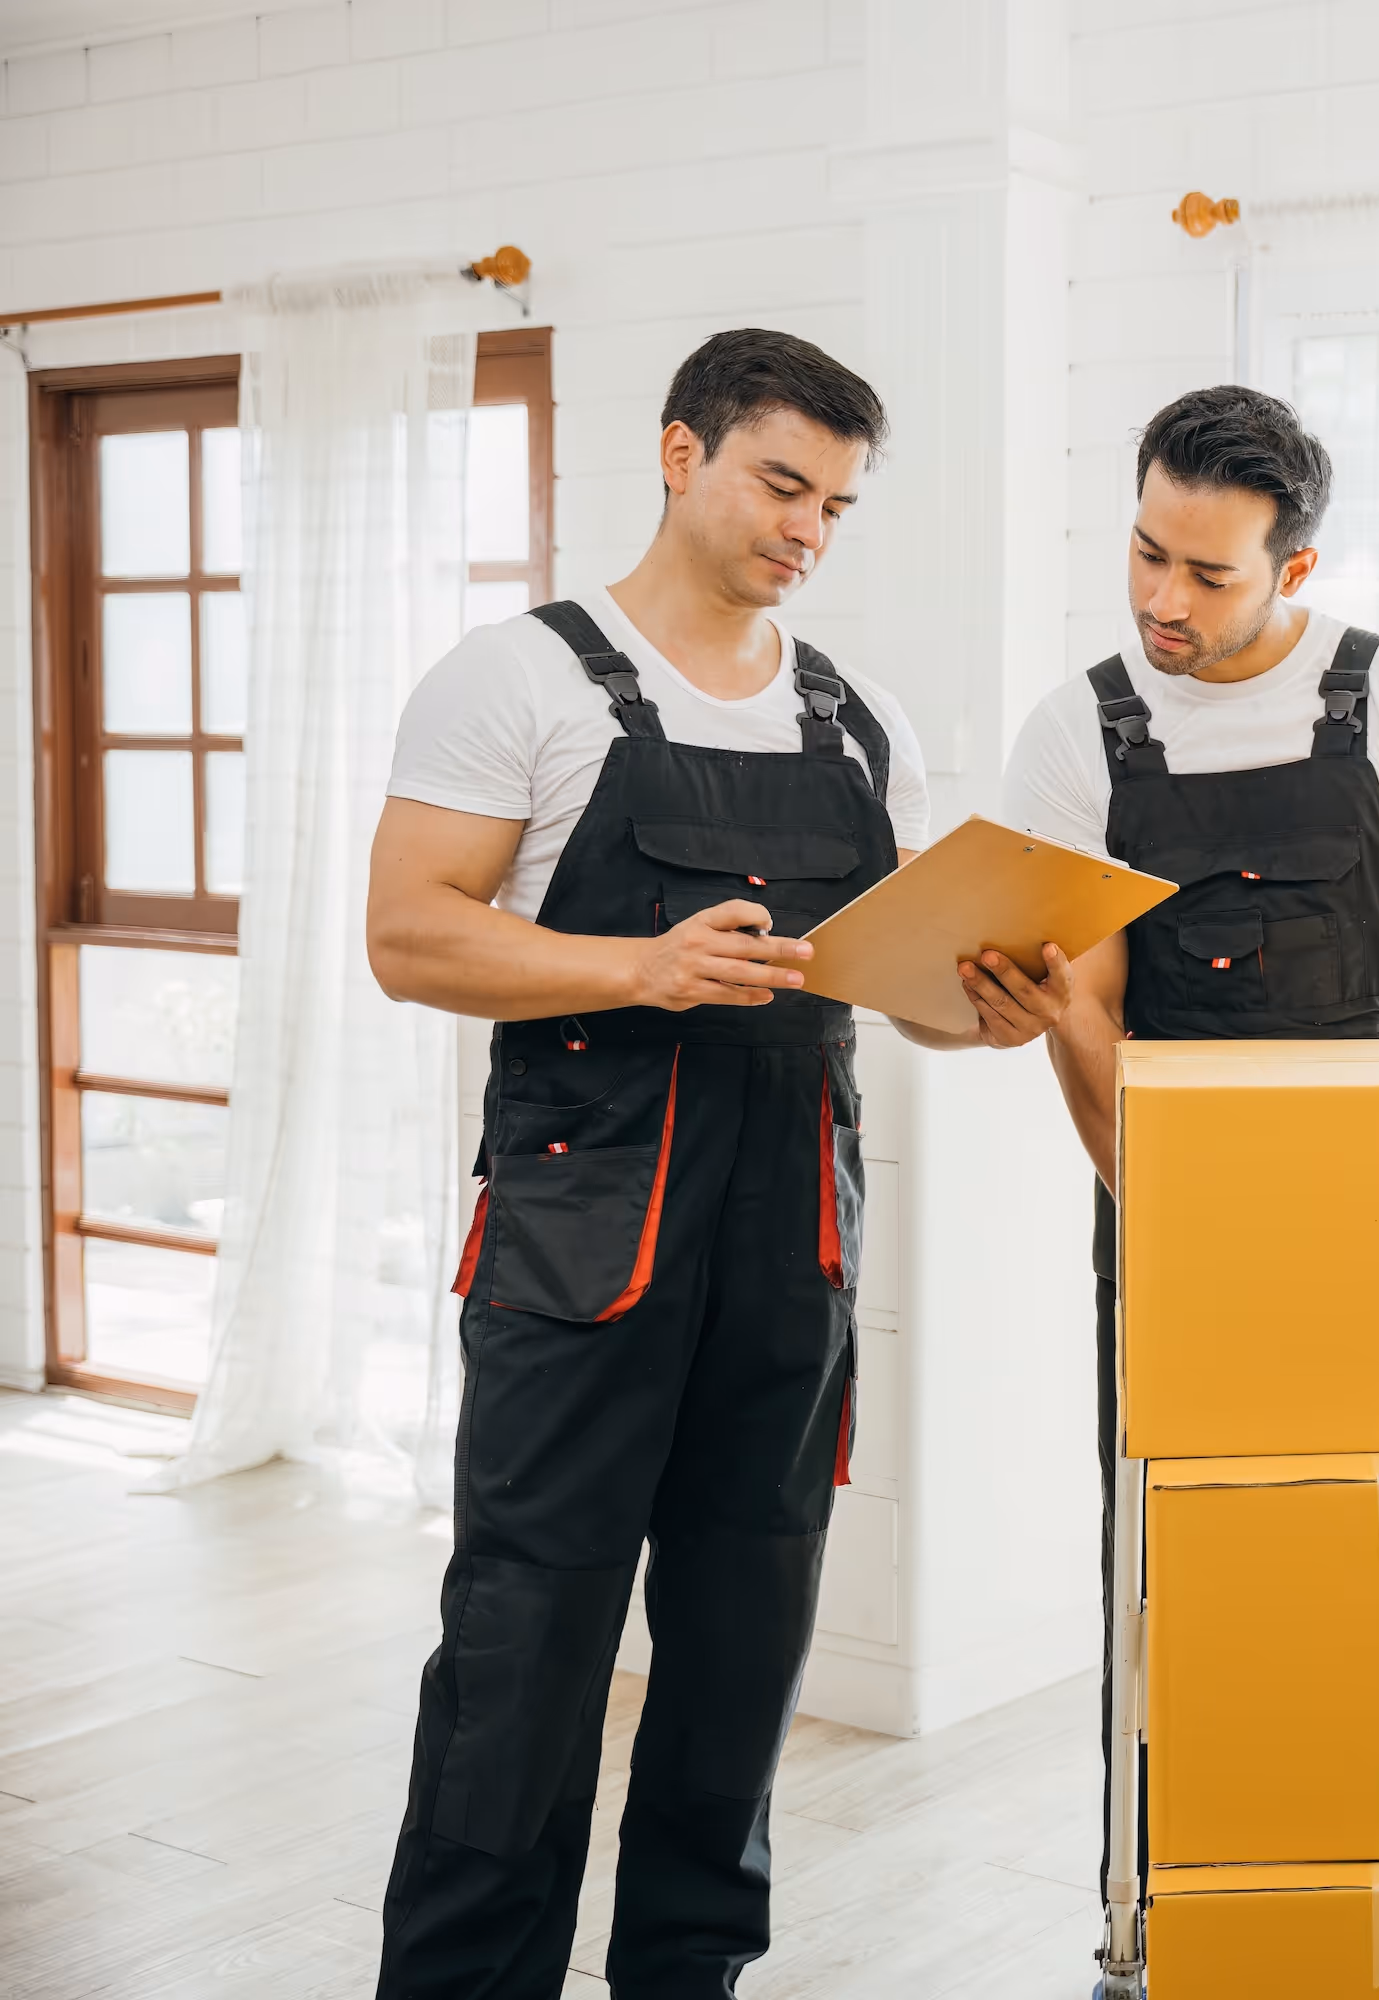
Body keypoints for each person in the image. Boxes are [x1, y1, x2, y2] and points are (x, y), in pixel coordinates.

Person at [364, 328, 1070, 1998]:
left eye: (835, 504)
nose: (807, 529)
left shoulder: (855, 719)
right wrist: (640, 965)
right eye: (781, 482)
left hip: (793, 1250)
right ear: (680, 453)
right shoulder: (520, 678)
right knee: (527, 1642)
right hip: (582, 1234)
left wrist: (998, 1013)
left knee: (745, 1652)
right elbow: (407, 936)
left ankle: (689, 1974)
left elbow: (898, 994)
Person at [996, 384, 1379, 1988]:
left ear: (1295, 570)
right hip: (1173, 1228)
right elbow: (1080, 1009)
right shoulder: (1076, 733)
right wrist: (1159, 1216)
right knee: (1166, 1589)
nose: (1164, 599)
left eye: (1208, 575)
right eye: (1146, 554)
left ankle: (1377, 1929)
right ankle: (1148, 1937)